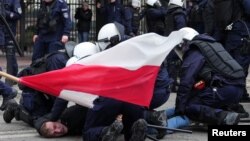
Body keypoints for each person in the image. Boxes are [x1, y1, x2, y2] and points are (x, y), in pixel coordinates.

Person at [174, 27, 246, 125]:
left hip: (225, 87)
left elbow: (186, 82)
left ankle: (225, 117)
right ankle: (230, 109)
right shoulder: (211, 44)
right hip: (236, 87)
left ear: (184, 43)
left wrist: (179, 109)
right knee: (199, 97)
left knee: (189, 106)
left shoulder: (195, 50)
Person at [2, 42, 77, 126]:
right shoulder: (58, 61)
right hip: (34, 92)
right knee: (41, 122)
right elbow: (57, 90)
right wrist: (57, 113)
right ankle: (16, 109)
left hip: (46, 93)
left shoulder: (66, 59)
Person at [224, 0, 250, 102]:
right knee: (241, 65)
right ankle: (239, 94)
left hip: (234, 32)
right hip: (242, 32)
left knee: (234, 64)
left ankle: (236, 92)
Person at [0, 0, 22, 85]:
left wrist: (5, 13)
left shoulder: (14, 1)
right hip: (0, 32)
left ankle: (12, 77)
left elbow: (18, 14)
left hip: (9, 32)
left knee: (10, 56)